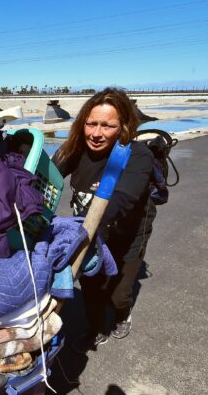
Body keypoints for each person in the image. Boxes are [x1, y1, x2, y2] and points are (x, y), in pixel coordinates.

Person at [52, 87, 156, 353]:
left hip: (127, 232)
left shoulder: (139, 155)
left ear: (123, 127)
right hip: (87, 230)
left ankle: (123, 314)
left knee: (117, 294)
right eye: (91, 124)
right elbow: (48, 175)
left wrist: (84, 227)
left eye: (107, 126)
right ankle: (96, 327)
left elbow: (123, 199)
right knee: (90, 285)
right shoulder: (76, 148)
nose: (96, 133)